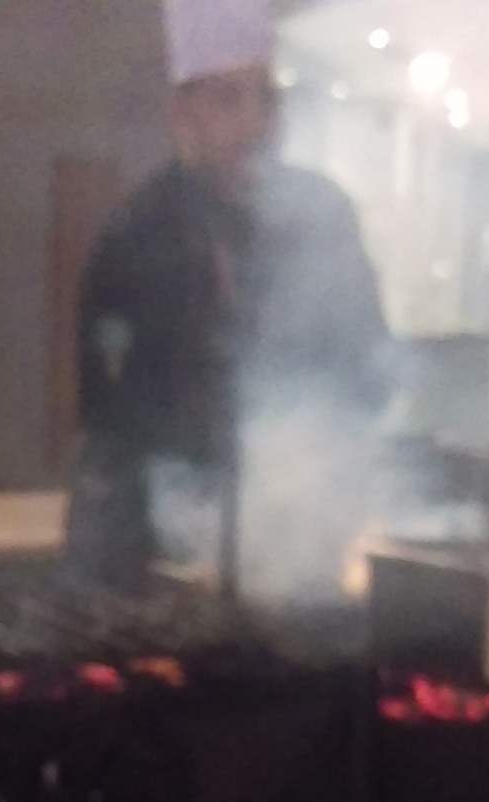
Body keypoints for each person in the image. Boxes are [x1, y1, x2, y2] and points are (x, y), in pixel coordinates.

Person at [66, 0, 390, 600]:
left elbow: (367, 367)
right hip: (172, 548)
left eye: (266, 100)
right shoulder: (139, 233)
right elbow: (108, 424)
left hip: (301, 536)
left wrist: (330, 477)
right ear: (183, 114)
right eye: (228, 100)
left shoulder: (322, 214)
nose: (254, 122)